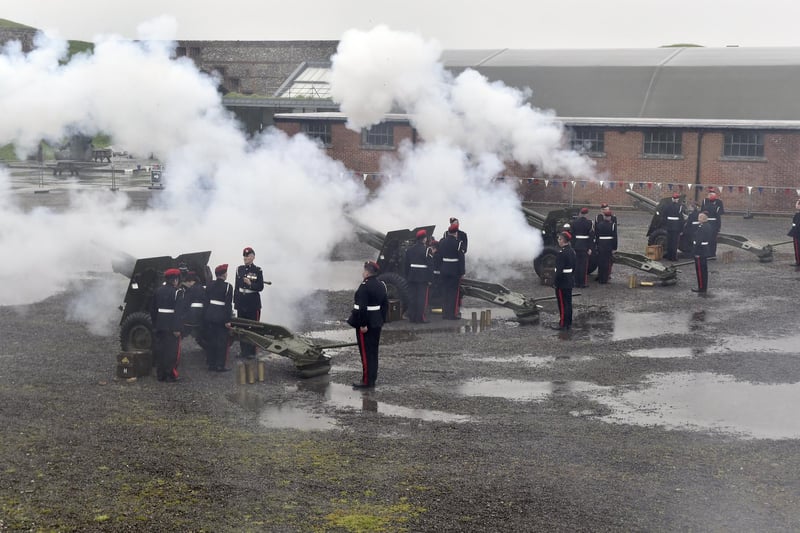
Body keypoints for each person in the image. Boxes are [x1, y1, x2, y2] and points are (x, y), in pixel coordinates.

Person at [347, 261, 388, 389]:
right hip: (376, 322)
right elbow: (385, 305)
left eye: (364, 270)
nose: (362, 272)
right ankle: (372, 378)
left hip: (366, 323)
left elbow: (362, 308)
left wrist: (363, 324)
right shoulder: (382, 284)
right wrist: (381, 320)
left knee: (365, 353)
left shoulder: (364, 286)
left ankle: (366, 381)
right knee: (373, 352)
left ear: (367, 272)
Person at [150, 268, 185, 382]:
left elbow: (153, 310)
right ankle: (170, 374)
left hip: (160, 324)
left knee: (160, 350)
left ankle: (161, 375)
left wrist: (155, 324)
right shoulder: (177, 292)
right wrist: (177, 328)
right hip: (171, 326)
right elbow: (178, 313)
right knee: (172, 352)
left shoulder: (158, 291)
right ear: (175, 280)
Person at [234, 246, 264, 359]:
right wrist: (235, 302)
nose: (245, 258)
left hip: (252, 302)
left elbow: (260, 287)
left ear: (253, 257)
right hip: (241, 302)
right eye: (244, 256)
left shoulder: (258, 270)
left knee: (253, 328)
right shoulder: (239, 269)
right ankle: (244, 351)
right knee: (242, 328)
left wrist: (250, 284)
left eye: (248, 256)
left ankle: (252, 352)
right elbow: (237, 287)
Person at [204, 264, 234, 372]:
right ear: (224, 274)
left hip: (210, 315)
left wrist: (206, 315)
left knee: (211, 341)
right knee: (222, 342)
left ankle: (211, 364)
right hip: (221, 317)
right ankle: (220, 365)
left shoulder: (210, 284)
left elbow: (206, 301)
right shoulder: (228, 287)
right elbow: (228, 305)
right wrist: (228, 320)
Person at [437, 223, 466, 319]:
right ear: (456, 233)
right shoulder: (459, 243)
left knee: (445, 292)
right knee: (453, 293)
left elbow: (440, 257)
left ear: (448, 232)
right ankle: (452, 314)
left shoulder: (442, 242)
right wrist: (462, 272)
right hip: (454, 270)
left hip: (444, 269)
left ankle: (444, 314)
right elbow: (461, 259)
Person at [404, 229, 432, 323]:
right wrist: (429, 279)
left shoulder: (409, 250)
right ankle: (420, 318)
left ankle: (412, 317)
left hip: (412, 276)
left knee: (412, 297)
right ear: (424, 239)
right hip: (422, 277)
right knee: (421, 298)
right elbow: (430, 266)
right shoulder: (427, 250)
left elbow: (406, 265)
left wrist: (408, 276)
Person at [552, 231, 576, 330]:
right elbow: (574, 267)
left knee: (562, 304)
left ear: (563, 240)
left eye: (560, 239)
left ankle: (562, 324)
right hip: (569, 280)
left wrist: (555, 282)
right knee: (568, 303)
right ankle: (568, 322)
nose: (558, 241)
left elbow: (559, 270)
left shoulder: (562, 253)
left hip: (562, 282)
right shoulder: (572, 251)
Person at [571, 207, 594, 288]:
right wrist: (590, 248)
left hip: (577, 245)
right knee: (584, 266)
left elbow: (572, 236)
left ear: (581, 214)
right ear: (587, 214)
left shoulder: (574, 222)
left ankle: (576, 282)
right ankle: (582, 283)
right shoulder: (589, 223)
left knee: (576, 265)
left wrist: (573, 246)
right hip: (585, 246)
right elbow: (591, 236)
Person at [692, 212, 714, 293]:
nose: (698, 219)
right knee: (704, 270)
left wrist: (695, 251)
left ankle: (701, 288)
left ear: (703, 219)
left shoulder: (702, 227)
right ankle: (703, 286)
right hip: (704, 250)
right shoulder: (708, 226)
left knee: (700, 271)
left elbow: (698, 241)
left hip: (700, 250)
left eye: (699, 217)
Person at [700, 188, 724, 257]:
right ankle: (711, 253)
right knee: (712, 240)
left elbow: (702, 212)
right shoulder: (706, 202)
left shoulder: (717, 202)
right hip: (713, 224)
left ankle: (708, 253)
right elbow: (718, 217)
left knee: (708, 239)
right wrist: (719, 227)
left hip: (706, 222)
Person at [594, 211, 617, 284]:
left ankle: (600, 278)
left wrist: (597, 245)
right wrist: (614, 247)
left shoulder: (599, 225)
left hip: (601, 244)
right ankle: (605, 279)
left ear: (604, 217)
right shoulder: (612, 225)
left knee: (600, 262)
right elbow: (615, 237)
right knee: (607, 262)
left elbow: (596, 236)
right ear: (610, 217)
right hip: (608, 244)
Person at [662, 192, 685, 261]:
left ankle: (669, 256)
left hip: (669, 225)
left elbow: (664, 216)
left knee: (669, 242)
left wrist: (666, 225)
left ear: (672, 199)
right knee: (675, 243)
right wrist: (681, 229)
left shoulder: (667, 206)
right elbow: (681, 219)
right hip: (676, 226)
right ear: (677, 199)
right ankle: (673, 257)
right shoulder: (680, 206)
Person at [789, 199, 800, 266]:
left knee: (797, 248)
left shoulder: (797, 215)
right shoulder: (797, 215)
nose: (796, 205)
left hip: (797, 234)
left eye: (798, 203)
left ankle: (798, 262)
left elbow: (796, 226)